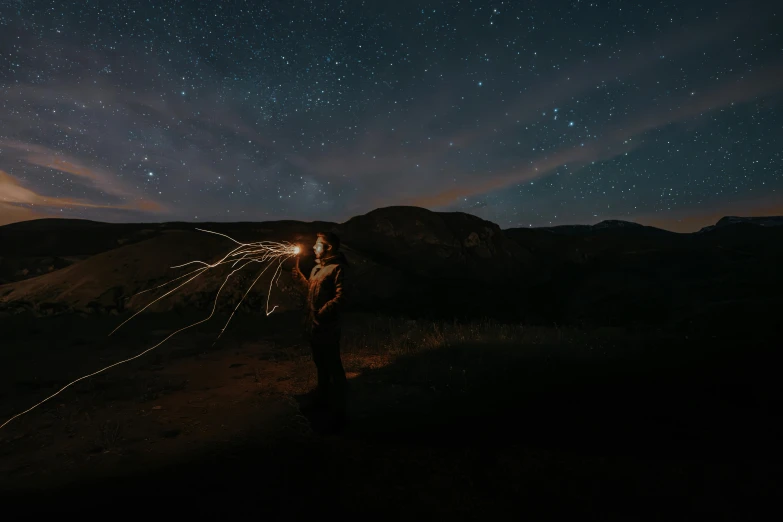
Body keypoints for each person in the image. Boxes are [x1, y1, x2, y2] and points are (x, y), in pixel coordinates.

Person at [291, 232, 348, 426]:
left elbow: (342, 297)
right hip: (314, 326)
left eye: (318, 245)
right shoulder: (317, 269)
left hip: (327, 327)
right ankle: (323, 398)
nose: (314, 248)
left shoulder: (338, 269)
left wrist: (324, 312)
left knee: (332, 363)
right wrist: (298, 276)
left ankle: (341, 405)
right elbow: (310, 292)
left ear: (328, 247)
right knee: (320, 364)